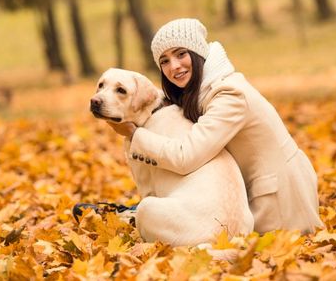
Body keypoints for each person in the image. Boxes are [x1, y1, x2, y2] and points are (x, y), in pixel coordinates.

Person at [109, 18, 324, 234]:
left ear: (197, 52)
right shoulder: (202, 91)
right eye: (164, 61)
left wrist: (134, 135)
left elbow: (187, 156)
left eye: (181, 53)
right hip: (250, 196)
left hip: (279, 204)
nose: (174, 66)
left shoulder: (230, 95)